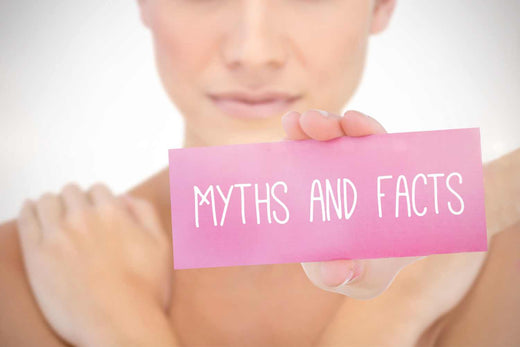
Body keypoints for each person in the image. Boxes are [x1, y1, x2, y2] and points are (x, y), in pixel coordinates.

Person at [1, 0, 519, 345]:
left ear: (381, 4)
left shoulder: (501, 260)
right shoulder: (24, 273)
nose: (253, 54)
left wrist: (115, 328)